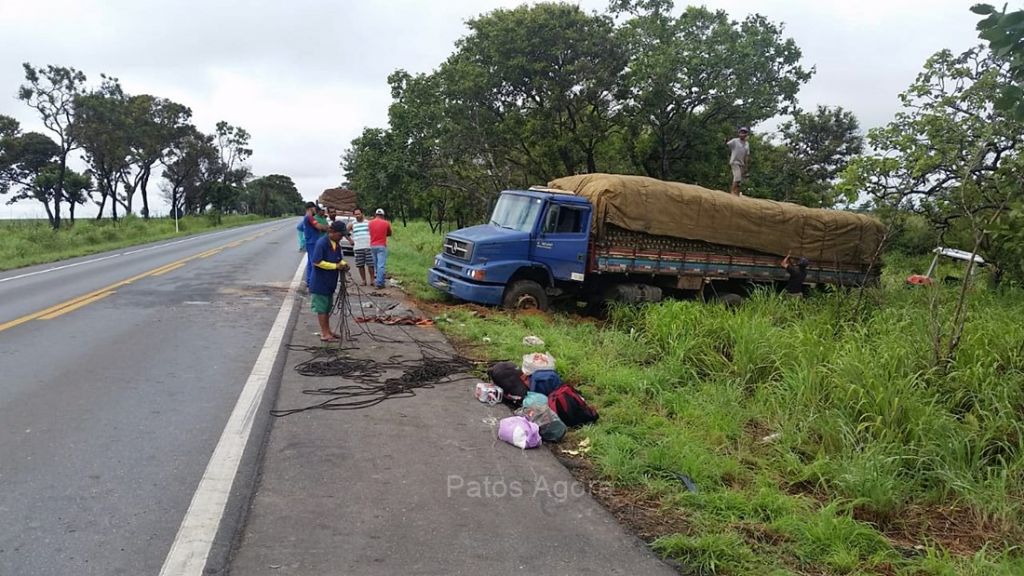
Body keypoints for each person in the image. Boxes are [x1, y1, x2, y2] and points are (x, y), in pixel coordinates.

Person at [310, 221, 350, 342]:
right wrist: (335, 266)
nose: (341, 237)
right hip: (320, 282)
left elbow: (339, 259)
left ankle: (328, 331)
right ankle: (324, 333)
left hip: (330, 282)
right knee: (322, 308)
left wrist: (344, 264)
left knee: (327, 307)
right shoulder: (321, 243)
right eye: (340, 235)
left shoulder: (336, 244)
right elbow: (317, 261)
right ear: (332, 232)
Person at [302, 202, 328, 288]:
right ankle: (313, 282)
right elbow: (319, 227)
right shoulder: (309, 217)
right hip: (313, 242)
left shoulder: (306, 217)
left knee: (310, 262)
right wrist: (327, 228)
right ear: (311, 208)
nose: (315, 210)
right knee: (315, 262)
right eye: (314, 208)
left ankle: (309, 281)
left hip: (310, 241)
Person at [348, 208, 374, 286]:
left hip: (368, 246)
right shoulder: (352, 224)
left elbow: (374, 232)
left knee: (370, 264)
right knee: (360, 265)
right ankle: (363, 280)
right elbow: (345, 232)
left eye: (359, 214)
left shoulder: (368, 223)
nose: (357, 216)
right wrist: (350, 240)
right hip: (358, 247)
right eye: (356, 214)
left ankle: (372, 280)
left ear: (362, 214)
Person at [368, 208, 393, 289]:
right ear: (383, 215)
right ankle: (379, 283)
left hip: (372, 245)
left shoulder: (370, 223)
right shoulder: (386, 223)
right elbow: (389, 233)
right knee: (381, 265)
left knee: (376, 265)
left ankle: (380, 281)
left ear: (376, 215)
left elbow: (369, 232)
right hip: (382, 245)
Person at [726, 127, 751, 196]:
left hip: (741, 163)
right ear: (739, 133)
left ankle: (737, 193)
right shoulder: (735, 141)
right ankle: (732, 192)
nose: (742, 134)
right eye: (741, 132)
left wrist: (746, 166)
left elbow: (747, 155)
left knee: (739, 180)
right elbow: (727, 145)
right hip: (734, 162)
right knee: (737, 178)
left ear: (746, 134)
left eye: (744, 133)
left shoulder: (747, 144)